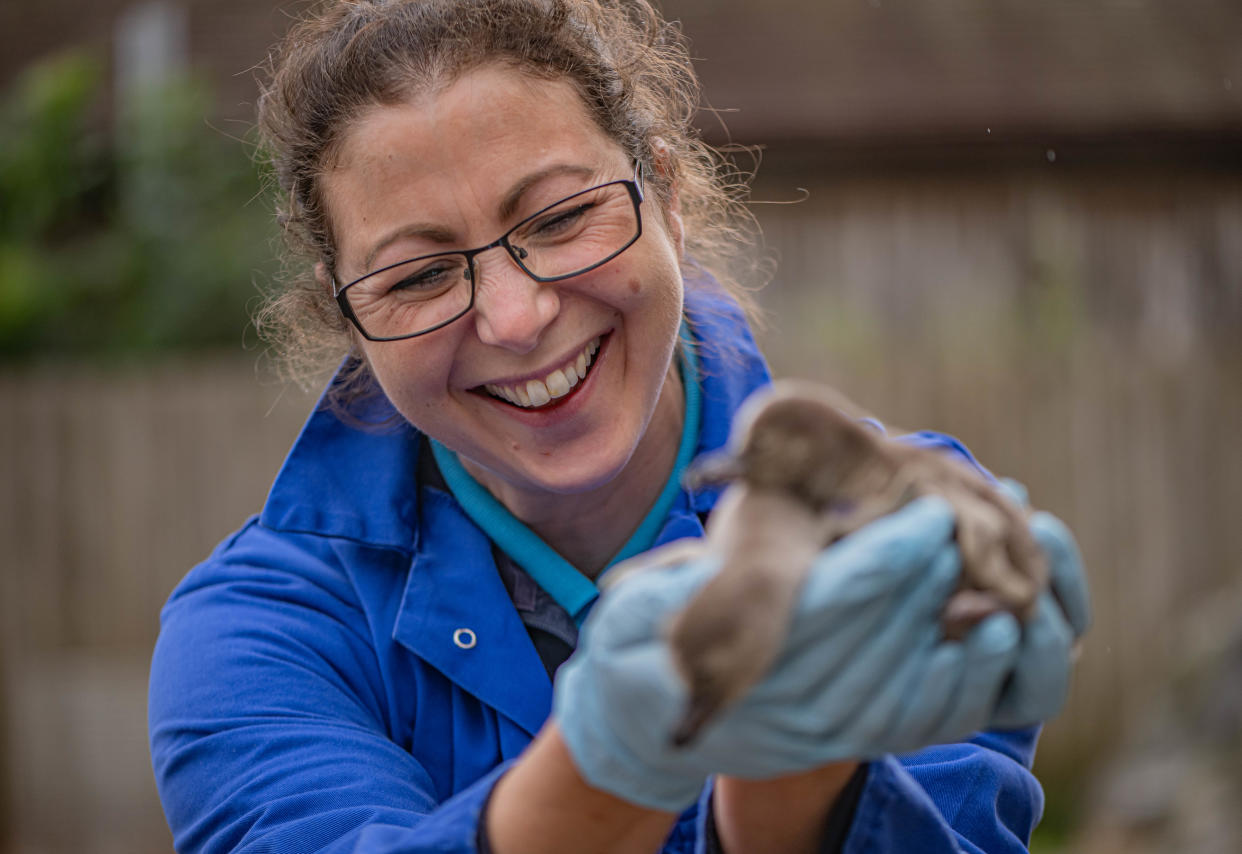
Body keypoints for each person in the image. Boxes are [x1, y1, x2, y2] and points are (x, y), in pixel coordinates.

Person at [147, 1, 1090, 852]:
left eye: (561, 217)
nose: (515, 319)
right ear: (350, 316)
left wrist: (794, 773)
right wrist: (611, 770)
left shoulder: (906, 532)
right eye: (419, 276)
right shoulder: (259, 632)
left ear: (669, 201)